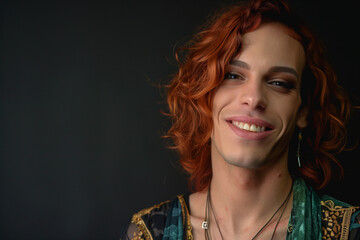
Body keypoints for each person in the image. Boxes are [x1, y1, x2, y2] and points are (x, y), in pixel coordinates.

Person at [121, 0, 360, 239]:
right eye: (233, 75)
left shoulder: (349, 232)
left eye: (279, 83)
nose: (254, 97)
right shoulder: (149, 232)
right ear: (204, 96)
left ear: (303, 111)